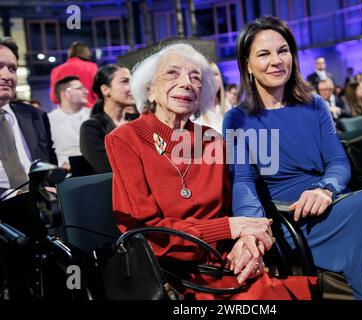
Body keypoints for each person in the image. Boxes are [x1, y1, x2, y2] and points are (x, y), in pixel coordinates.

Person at [223, 16, 362, 300]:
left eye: (283, 51)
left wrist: (325, 188)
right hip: (289, 216)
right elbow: (242, 181)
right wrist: (252, 230)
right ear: (247, 64)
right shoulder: (237, 118)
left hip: (331, 202)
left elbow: (338, 162)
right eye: (264, 54)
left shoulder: (314, 104)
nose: (276, 61)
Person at [104, 43, 316, 300]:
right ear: (149, 89)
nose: (187, 83)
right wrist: (228, 228)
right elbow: (149, 234)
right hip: (172, 275)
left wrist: (247, 243)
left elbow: (235, 208)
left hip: (227, 264)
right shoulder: (126, 139)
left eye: (195, 78)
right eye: (172, 73)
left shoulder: (213, 141)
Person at [0, 37, 56, 199]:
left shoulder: (35, 115)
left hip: (42, 205)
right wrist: (15, 195)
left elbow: (49, 164)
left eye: (12, 69)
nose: (7, 76)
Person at [80, 64, 134, 174]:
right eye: (125, 81)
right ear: (105, 90)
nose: (133, 86)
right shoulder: (91, 128)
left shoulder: (138, 121)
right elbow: (106, 167)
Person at [48, 76, 90, 171]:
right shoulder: (49, 120)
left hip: (95, 172)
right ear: (65, 95)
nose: (86, 92)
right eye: (79, 88)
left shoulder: (93, 115)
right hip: (66, 177)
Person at [49, 41, 98, 108]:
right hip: (88, 110)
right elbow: (97, 93)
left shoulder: (56, 70)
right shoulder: (91, 67)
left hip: (66, 113)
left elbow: (54, 98)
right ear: (86, 53)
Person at [191, 62, 228, 133]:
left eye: (216, 74)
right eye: (209, 75)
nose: (213, 78)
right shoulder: (194, 113)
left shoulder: (228, 108)